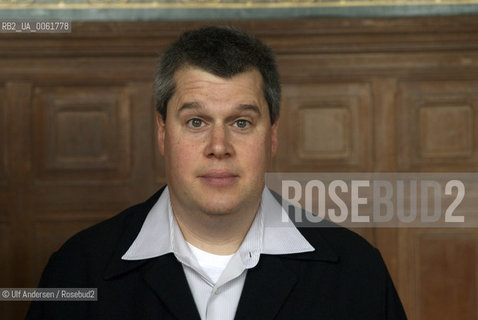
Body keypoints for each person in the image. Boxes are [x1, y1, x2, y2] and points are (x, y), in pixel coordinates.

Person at [27, 26, 407, 319]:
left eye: (241, 123)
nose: (219, 145)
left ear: (271, 137)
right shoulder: (76, 270)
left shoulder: (358, 274)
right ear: (162, 133)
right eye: (196, 121)